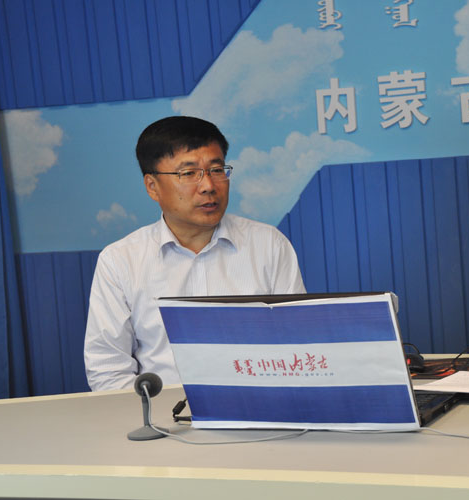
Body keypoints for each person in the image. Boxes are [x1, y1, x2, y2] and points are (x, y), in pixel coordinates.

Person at [84, 116, 305, 391]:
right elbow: (107, 369)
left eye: (217, 169)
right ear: (152, 186)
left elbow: (298, 345)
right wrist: (154, 413)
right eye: (188, 174)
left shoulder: (269, 245)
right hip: (162, 415)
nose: (208, 185)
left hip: (260, 409)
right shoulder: (120, 261)